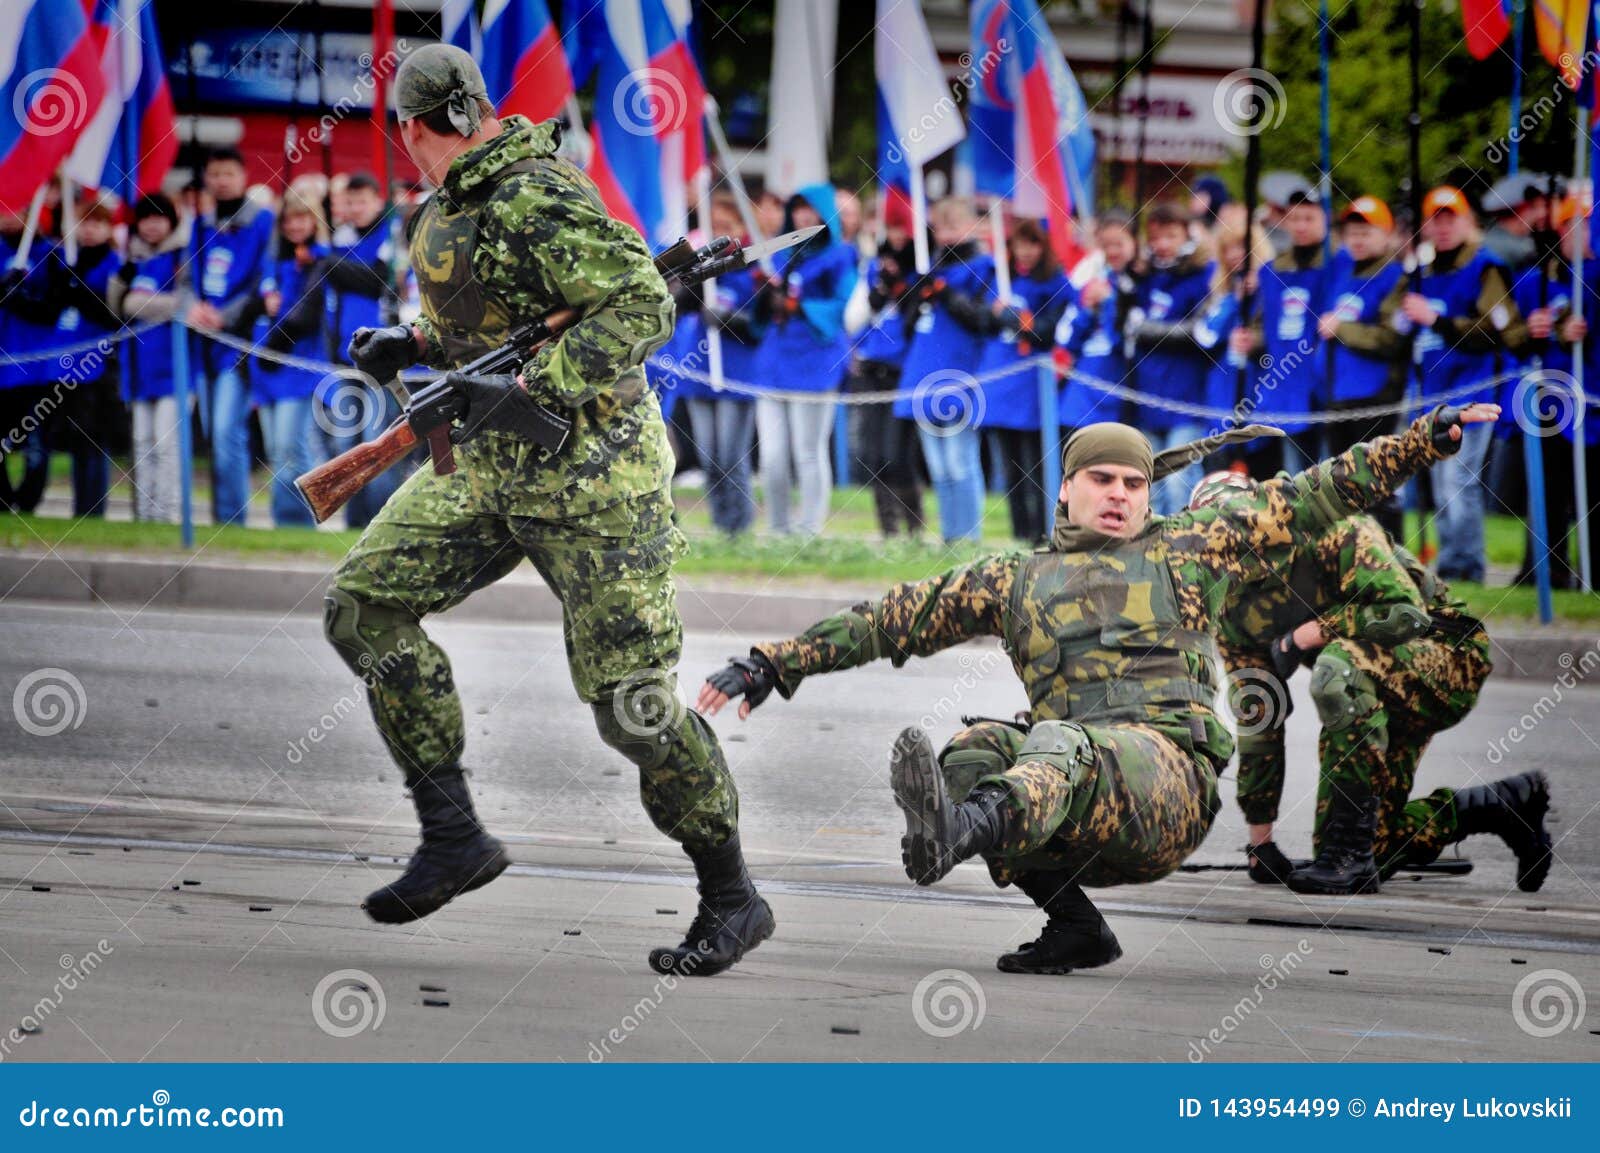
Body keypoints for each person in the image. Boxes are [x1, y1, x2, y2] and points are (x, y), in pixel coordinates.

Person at [700, 402, 1500, 972]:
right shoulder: (1014, 578)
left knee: (1053, 744)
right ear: (1066, 489)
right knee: (976, 748)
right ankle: (1074, 925)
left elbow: (1322, 490)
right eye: (1104, 479)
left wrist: (1424, 441)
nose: (1121, 493)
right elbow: (891, 618)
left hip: (1169, 788)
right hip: (1071, 801)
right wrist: (772, 663)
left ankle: (957, 830)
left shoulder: (1191, 549)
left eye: (1135, 482)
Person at [326, 45, 772, 976]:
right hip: (488, 469)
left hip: (598, 483)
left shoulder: (536, 192)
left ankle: (733, 896)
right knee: (361, 604)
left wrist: (541, 383)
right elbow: (497, 315)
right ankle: (454, 834)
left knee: (632, 707)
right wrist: (413, 340)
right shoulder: (450, 204)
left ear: (411, 128)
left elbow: (641, 304)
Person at [1190, 473, 1552, 894]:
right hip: (1371, 693)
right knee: (1378, 844)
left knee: (1337, 668)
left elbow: (1407, 615)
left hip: (1446, 656)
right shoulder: (1230, 604)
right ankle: (1503, 805)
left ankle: (1347, 860)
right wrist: (1260, 842)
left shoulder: (1337, 531)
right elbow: (1259, 713)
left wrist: (1312, 632)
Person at [1385, 185, 1529, 582]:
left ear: (1468, 221)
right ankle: (1448, 563)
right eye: (1436, 219)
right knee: (1437, 482)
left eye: (1452, 218)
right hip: (1430, 391)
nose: (1444, 227)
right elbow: (1400, 328)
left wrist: (1438, 321)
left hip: (1472, 390)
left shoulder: (1486, 267)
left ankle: (1464, 567)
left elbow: (1495, 329)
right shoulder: (1422, 274)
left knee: (1457, 482)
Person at [11, 189, 125, 517]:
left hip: (94, 365)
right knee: (68, 438)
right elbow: (48, 309)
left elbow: (110, 314)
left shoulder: (113, 263)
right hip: (58, 363)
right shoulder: (61, 261)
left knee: (92, 438)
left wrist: (81, 291)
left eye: (97, 225)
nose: (89, 231)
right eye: (83, 224)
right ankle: (74, 505)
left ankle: (92, 508)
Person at [752, 183, 857, 536]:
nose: (803, 216)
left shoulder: (841, 257)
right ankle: (778, 527)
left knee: (808, 452)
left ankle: (810, 527)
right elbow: (759, 314)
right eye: (797, 209)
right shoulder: (778, 255)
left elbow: (845, 306)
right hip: (774, 362)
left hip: (815, 362)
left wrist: (801, 307)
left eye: (810, 209)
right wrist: (766, 294)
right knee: (772, 456)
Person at [1507, 194, 1600, 589]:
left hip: (1591, 402)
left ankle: (1593, 571)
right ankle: (1546, 569)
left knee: (1592, 491)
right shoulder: (1537, 280)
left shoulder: (1594, 277)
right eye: (1572, 225)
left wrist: (1578, 331)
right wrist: (1534, 327)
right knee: (1547, 490)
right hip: (1549, 400)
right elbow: (1513, 336)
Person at [893, 196, 994, 542]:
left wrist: (947, 295)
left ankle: (970, 536)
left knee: (960, 463)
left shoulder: (984, 268)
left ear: (972, 227)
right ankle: (951, 536)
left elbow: (981, 320)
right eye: (940, 228)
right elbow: (905, 326)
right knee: (938, 468)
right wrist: (917, 294)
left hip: (959, 376)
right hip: (923, 375)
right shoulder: (930, 268)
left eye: (953, 226)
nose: (945, 235)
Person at [186, 147, 276, 526]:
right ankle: (223, 518)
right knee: (213, 435)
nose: (221, 181)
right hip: (202, 343)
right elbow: (189, 276)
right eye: (214, 174)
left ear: (242, 176)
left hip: (239, 344)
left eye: (228, 173)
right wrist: (194, 307)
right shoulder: (201, 224)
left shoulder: (263, 222)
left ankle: (231, 519)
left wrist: (224, 316)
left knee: (227, 432)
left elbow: (263, 280)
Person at [974, 218, 1074, 543]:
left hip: (1033, 387)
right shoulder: (1002, 280)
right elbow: (981, 325)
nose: (1025, 251)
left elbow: (1048, 333)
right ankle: (1020, 534)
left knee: (1037, 464)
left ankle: (1044, 531)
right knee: (1011, 467)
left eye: (1033, 243)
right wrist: (993, 314)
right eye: (1019, 244)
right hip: (1002, 384)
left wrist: (1015, 318)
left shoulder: (1056, 284)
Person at [1316, 196, 1408, 541]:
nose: (1358, 239)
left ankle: (1385, 552)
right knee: (1341, 483)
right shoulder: (1341, 274)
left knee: (1375, 481)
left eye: (1367, 232)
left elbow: (1391, 338)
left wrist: (1342, 329)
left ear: (1386, 235)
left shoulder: (1395, 278)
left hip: (1376, 394)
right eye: (1352, 232)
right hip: (1338, 394)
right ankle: (1349, 551)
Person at [317, 171, 403, 528]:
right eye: (349, 202)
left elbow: (375, 281)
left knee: (376, 443)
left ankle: (379, 522)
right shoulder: (341, 238)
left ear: (376, 200)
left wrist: (331, 265)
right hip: (343, 354)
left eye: (363, 201)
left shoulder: (391, 235)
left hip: (379, 357)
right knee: (345, 447)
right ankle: (353, 524)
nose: (356, 208)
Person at [1126, 202, 1214, 514]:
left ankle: (1186, 548)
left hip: (1185, 399)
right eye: (1157, 237)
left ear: (1188, 236)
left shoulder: (1204, 276)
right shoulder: (1145, 279)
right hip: (1147, 395)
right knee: (1151, 481)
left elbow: (1199, 330)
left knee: (1181, 482)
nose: (1162, 244)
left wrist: (1145, 329)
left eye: (1171, 236)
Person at [1232, 186, 1327, 474]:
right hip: (1285, 385)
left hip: (1325, 386)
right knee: (1294, 478)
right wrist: (1251, 340)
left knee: (1327, 474)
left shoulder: (1337, 266)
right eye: (1295, 218)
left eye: (1309, 218)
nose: (1301, 226)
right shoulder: (1272, 272)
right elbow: (1265, 328)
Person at [253, 188, 330, 527]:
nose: (295, 225)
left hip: (298, 367)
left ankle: (296, 522)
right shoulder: (274, 261)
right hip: (266, 365)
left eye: (303, 218)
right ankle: (282, 520)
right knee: (275, 452)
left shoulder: (321, 259)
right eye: (289, 219)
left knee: (291, 451)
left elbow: (307, 314)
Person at [686, 194, 761, 536]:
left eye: (727, 227)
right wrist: (694, 282)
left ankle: (740, 525)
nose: (720, 234)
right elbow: (675, 304)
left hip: (736, 374)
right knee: (708, 456)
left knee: (731, 456)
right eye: (714, 227)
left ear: (741, 230)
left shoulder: (752, 271)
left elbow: (760, 327)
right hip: (701, 372)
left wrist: (730, 319)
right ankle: (720, 524)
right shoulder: (701, 272)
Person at [847, 202, 923, 538]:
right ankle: (888, 531)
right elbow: (855, 320)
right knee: (873, 456)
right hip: (870, 369)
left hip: (901, 372)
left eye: (900, 229)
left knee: (897, 455)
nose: (894, 237)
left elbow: (913, 323)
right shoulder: (873, 270)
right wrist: (879, 287)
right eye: (889, 229)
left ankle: (914, 527)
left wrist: (903, 288)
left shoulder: (920, 271)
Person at [113, 193, 188, 523]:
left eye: (160, 217)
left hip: (175, 368)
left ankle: (168, 514)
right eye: (145, 218)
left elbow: (185, 303)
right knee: (141, 443)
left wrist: (138, 303)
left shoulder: (183, 257)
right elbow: (115, 306)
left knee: (166, 442)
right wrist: (127, 292)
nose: (152, 225)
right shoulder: (132, 262)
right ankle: (145, 516)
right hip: (138, 368)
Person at [0, 207, 61, 513]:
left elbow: (53, 311)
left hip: (35, 366)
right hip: (2, 363)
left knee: (34, 439)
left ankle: (28, 502)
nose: (9, 218)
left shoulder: (50, 254)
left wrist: (20, 297)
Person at [1055, 212, 1137, 435]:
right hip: (1082, 388)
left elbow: (1121, 339)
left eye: (1118, 244)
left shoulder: (1139, 285)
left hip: (1118, 387)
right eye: (1106, 245)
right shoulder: (1090, 282)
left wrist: (1109, 302)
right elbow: (1068, 341)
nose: (1112, 251)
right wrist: (1089, 309)